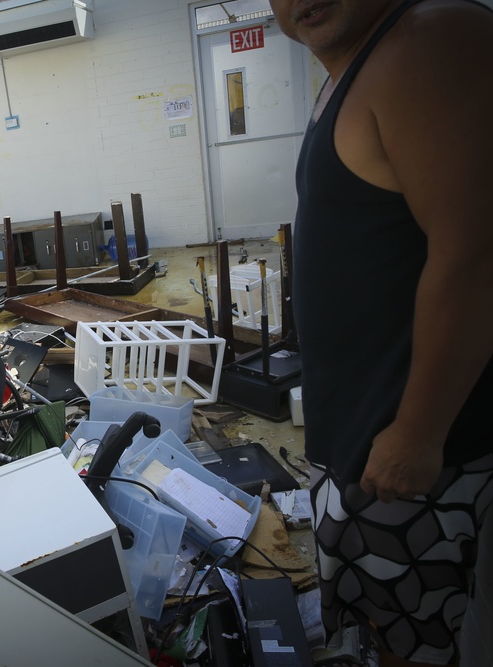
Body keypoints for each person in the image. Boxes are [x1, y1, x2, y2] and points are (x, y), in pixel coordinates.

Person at [269, 0, 493, 665]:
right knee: (374, 629)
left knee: (417, 644)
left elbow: (476, 256)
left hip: (423, 464)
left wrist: (419, 432)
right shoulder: (354, 71)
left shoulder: (427, 41)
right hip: (367, 453)